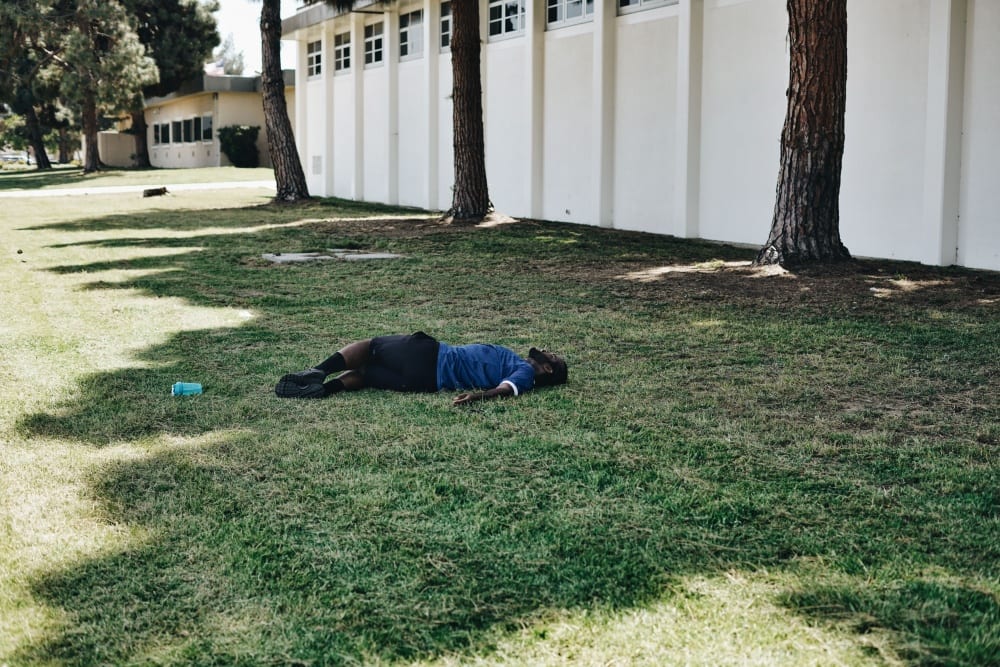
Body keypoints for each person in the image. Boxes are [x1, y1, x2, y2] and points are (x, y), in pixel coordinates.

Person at [275, 331, 567, 405]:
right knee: (365, 375)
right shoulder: (517, 364)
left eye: (551, 355)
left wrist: (478, 397)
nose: (546, 350)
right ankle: (323, 389)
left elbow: (507, 389)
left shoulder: (526, 373)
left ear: (548, 369)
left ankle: (318, 370)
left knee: (370, 346)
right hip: (424, 381)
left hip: (431, 357)